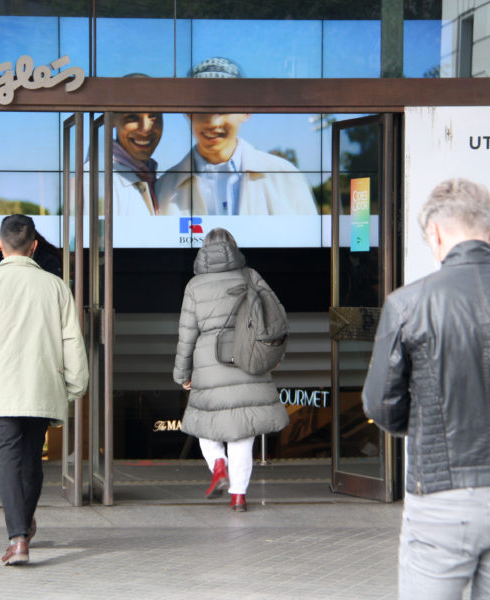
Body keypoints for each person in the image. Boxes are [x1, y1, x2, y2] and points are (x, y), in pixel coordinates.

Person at [362, 178, 490, 599]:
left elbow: (381, 405)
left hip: (441, 496)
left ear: (435, 234)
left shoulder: (408, 303)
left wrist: (424, 425)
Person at [0, 214, 89, 565]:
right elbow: (71, 339)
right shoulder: (56, 286)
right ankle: (24, 524)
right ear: (34, 246)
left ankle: (18, 538)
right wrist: (75, 384)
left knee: (9, 461)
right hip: (42, 384)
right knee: (32, 460)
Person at [173, 228, 289, 511]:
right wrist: (274, 354)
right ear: (234, 248)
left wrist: (182, 374)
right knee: (243, 435)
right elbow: (276, 318)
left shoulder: (195, 286)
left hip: (208, 364)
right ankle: (238, 497)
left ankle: (218, 465)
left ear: (203, 251)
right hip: (248, 358)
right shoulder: (249, 276)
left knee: (205, 427)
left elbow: (186, 335)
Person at [156, 57, 317, 216]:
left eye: (224, 108)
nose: (213, 122)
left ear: (246, 111)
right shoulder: (163, 189)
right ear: (187, 113)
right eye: (202, 108)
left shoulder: (285, 178)